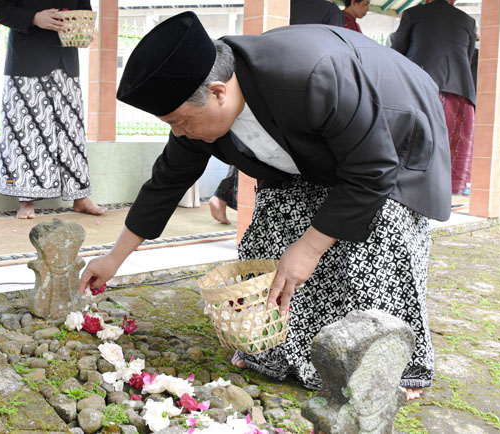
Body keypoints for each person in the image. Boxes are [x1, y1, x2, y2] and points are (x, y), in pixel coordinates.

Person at [79, 12, 451, 400]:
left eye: (179, 121)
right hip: (313, 154)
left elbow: (372, 170)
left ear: (218, 92)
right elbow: (165, 183)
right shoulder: (198, 105)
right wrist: (113, 260)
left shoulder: (310, 75)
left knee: (376, 233)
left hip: (392, 133)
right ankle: (280, 349)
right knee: (271, 230)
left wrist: (309, 249)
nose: (179, 133)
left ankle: (392, 362)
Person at [208, 0, 344, 225]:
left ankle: (221, 197)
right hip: (307, 96)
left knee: (250, 145)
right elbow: (336, 52)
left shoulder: (287, 7)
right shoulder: (329, 11)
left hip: (266, 90)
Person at [0, 1, 106, 219]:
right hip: (26, 63)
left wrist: (84, 31)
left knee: (72, 134)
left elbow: (84, 12)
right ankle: (26, 201)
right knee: (25, 133)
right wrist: (34, 18)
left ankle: (80, 197)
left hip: (66, 63)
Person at [391, 0, 477, 195]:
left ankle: (409, 188)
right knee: (451, 144)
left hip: (421, 85)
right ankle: (448, 190)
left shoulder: (413, 14)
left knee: (415, 138)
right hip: (459, 90)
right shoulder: (467, 20)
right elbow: (468, 57)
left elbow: (396, 53)